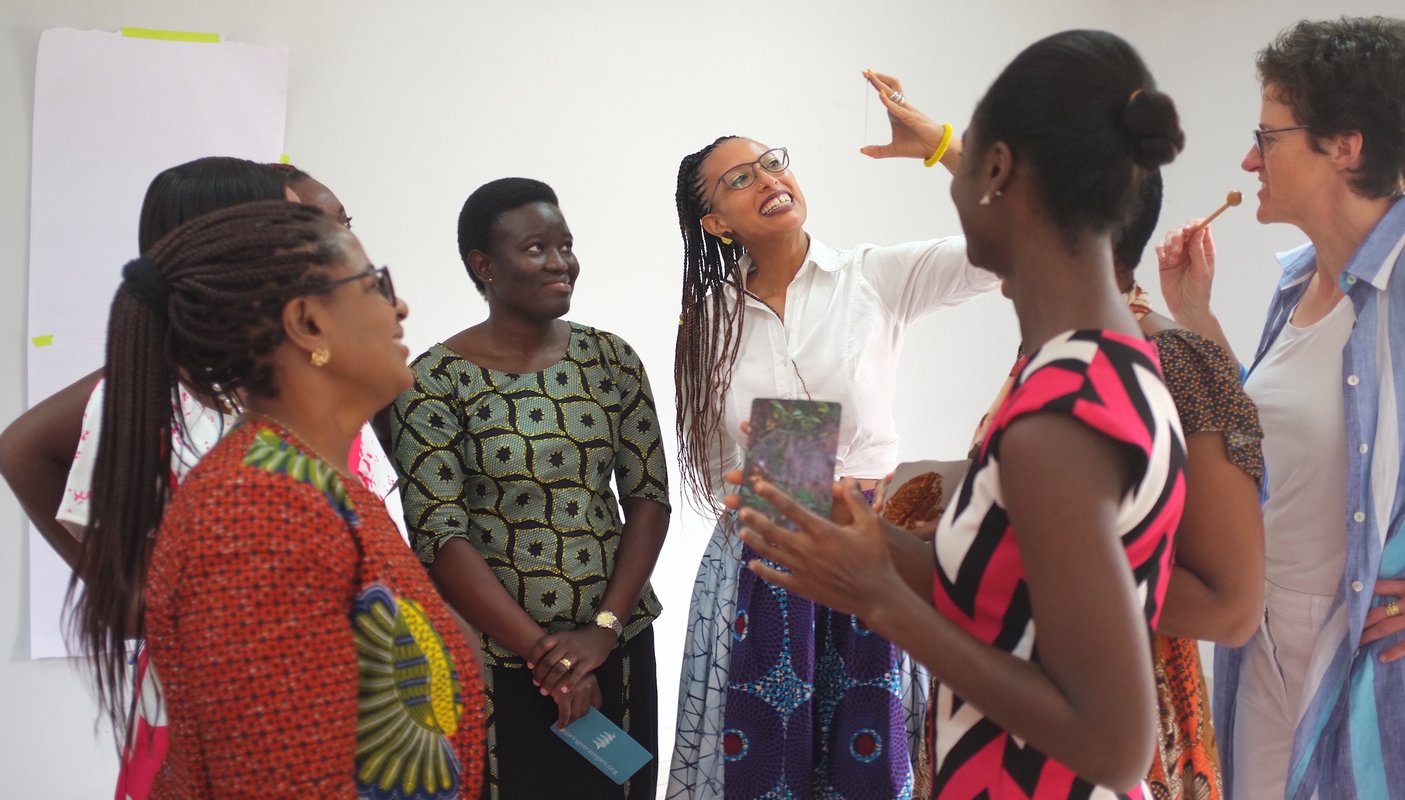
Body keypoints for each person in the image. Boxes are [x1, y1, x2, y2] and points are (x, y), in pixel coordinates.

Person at [735, 28, 1187, 798]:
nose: (950, 180)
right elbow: (998, 597)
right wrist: (857, 530)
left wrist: (874, 596)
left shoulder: (1057, 415)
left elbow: (1112, 743)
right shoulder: (1094, 364)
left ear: (998, 171)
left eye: (962, 156)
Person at [0, 156, 404, 800]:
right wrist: (139, 603)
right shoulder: (159, 402)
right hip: (235, 737)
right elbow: (23, 449)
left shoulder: (316, 384)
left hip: (360, 724)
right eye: (304, 229)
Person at [74, 198, 485, 797]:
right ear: (307, 323)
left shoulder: (310, 486)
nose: (399, 306)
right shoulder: (257, 512)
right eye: (375, 285)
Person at [667, 96, 998, 794]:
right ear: (715, 224)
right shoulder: (707, 322)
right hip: (761, 564)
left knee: (872, 766)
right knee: (759, 768)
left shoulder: (872, 276)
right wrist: (751, 479)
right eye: (739, 179)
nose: (766, 179)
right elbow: (712, 461)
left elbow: (1009, 243)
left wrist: (945, 147)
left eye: (771, 163)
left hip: (871, 547)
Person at [1157, 16, 1405, 799]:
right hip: (1256, 635)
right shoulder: (1299, 282)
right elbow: (1271, 446)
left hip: (1357, 650)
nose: (1246, 159)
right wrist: (1196, 322)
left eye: (1266, 136)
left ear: (1345, 146)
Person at [391, 177, 670, 799]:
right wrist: (549, 657)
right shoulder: (432, 382)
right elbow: (438, 534)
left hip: (616, 644)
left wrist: (600, 632)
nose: (561, 262)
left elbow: (649, 497)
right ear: (483, 266)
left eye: (565, 245)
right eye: (537, 248)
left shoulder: (611, 360)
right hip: (498, 660)